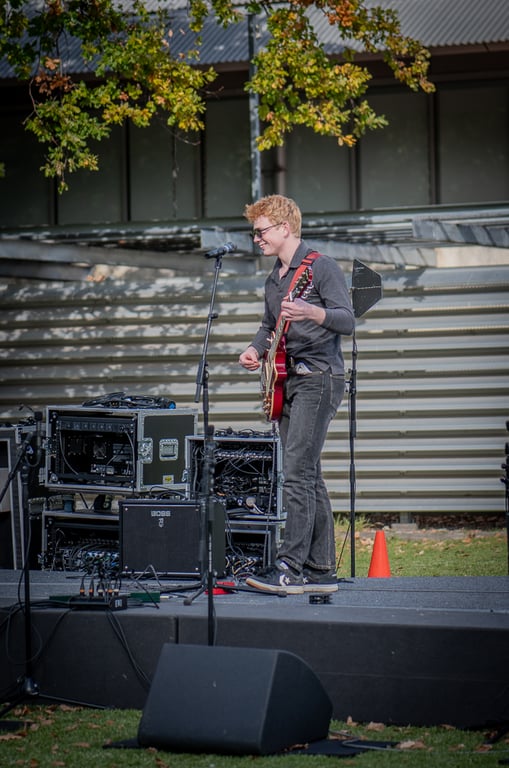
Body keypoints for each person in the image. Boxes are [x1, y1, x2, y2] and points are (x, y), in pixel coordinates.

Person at [239, 194, 355, 594]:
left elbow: (347, 319)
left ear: (284, 228)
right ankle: (321, 569)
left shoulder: (321, 267)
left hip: (319, 377)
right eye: (255, 232)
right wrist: (255, 349)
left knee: (297, 473)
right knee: (309, 474)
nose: (257, 238)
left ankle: (290, 566)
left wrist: (312, 312)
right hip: (285, 381)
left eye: (261, 231)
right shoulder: (275, 277)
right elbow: (269, 325)